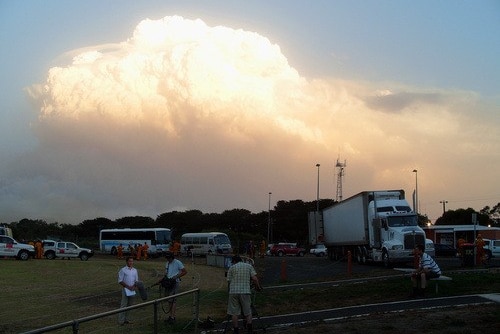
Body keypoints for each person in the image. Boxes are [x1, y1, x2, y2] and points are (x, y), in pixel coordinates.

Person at [227, 255, 262, 333]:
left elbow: (229, 282)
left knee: (234, 312)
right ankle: (249, 329)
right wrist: (258, 287)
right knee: (248, 311)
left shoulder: (231, 268)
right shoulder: (248, 266)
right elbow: (255, 279)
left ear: (234, 261)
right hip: (245, 291)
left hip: (233, 292)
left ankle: (236, 330)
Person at [157, 251, 187, 324]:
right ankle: (170, 316)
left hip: (174, 283)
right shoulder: (167, 263)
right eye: (167, 258)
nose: (168, 259)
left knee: (173, 300)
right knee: (169, 300)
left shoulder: (177, 262)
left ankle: (173, 317)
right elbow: (166, 274)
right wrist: (161, 280)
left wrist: (176, 277)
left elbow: (184, 271)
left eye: (169, 258)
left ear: (172, 257)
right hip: (168, 283)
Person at [118, 256, 139, 325]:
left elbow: (136, 280)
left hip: (132, 290)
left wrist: (133, 286)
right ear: (126, 262)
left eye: (132, 261)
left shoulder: (135, 270)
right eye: (130, 261)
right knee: (123, 305)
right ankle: (121, 320)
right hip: (125, 289)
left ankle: (127, 319)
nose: (131, 262)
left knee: (130, 305)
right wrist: (127, 287)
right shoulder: (123, 270)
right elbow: (120, 280)